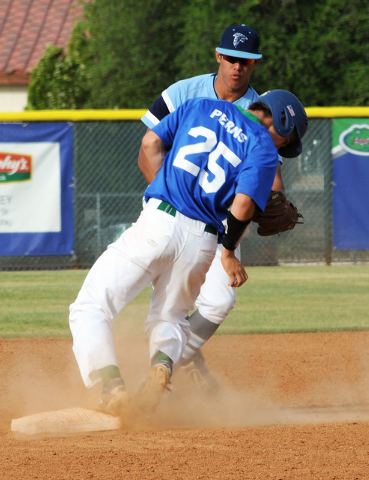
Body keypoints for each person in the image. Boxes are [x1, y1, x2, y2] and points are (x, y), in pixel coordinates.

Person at [69, 90, 308, 417]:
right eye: (287, 139)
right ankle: (163, 363)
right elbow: (242, 206)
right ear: (279, 121)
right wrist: (228, 252)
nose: (283, 146)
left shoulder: (202, 106)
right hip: (203, 241)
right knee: (170, 317)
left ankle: (111, 388)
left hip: (159, 220)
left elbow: (150, 144)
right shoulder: (263, 150)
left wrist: (168, 192)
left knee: (91, 306)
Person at [140, 24, 285, 392]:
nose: (238, 67)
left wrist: (274, 203)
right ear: (219, 56)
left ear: (255, 65)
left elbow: (272, 180)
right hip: (169, 211)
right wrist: (170, 197)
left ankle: (179, 357)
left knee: (220, 298)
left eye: (246, 61)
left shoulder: (260, 110)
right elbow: (148, 148)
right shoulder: (182, 93)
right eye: (232, 58)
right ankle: (167, 361)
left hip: (221, 224)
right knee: (159, 297)